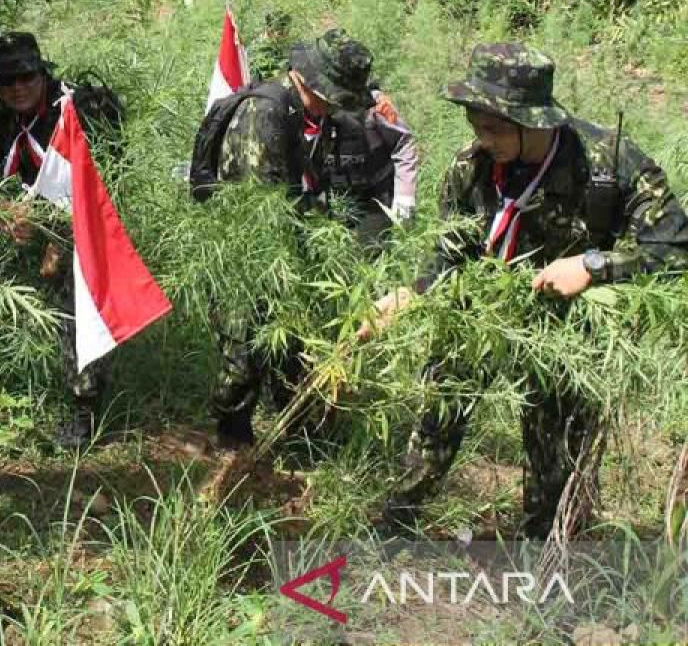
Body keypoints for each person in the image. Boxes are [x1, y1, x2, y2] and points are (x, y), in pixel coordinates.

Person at [359, 42, 688, 538]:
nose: (481, 139)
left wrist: (594, 265)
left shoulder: (607, 162)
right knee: (436, 422)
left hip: (560, 333)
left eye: (492, 128)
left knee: (552, 456)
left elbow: (676, 247)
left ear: (532, 120)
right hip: (480, 314)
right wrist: (414, 293)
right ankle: (392, 530)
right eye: (476, 125)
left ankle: (545, 559)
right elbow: (451, 252)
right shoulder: (470, 168)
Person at [201, 28, 418, 450]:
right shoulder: (264, 114)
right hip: (250, 253)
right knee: (243, 354)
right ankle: (231, 443)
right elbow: (259, 207)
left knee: (290, 349)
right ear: (311, 80)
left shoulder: (305, 112)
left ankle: (292, 441)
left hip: (288, 247)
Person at [0, 32, 121, 448]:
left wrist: (62, 236)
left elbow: (105, 180)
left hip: (84, 223)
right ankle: (23, 392)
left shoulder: (78, 111)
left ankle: (84, 407)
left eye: (26, 77)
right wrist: (1, 214)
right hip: (26, 227)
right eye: (7, 81)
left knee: (74, 308)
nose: (17, 88)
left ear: (42, 73)